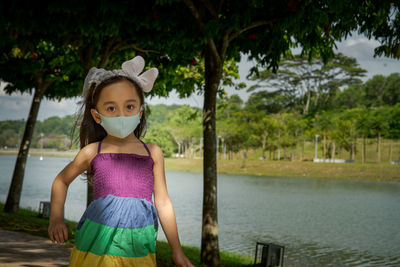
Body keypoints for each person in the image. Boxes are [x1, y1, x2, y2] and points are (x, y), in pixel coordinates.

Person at [48, 56, 194, 267]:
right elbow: (61, 181)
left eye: (129, 106)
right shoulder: (92, 152)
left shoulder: (153, 153)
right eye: (111, 109)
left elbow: (162, 202)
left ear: (141, 110)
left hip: (138, 247)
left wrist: (177, 251)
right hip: (96, 246)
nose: (121, 115)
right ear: (97, 116)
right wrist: (56, 219)